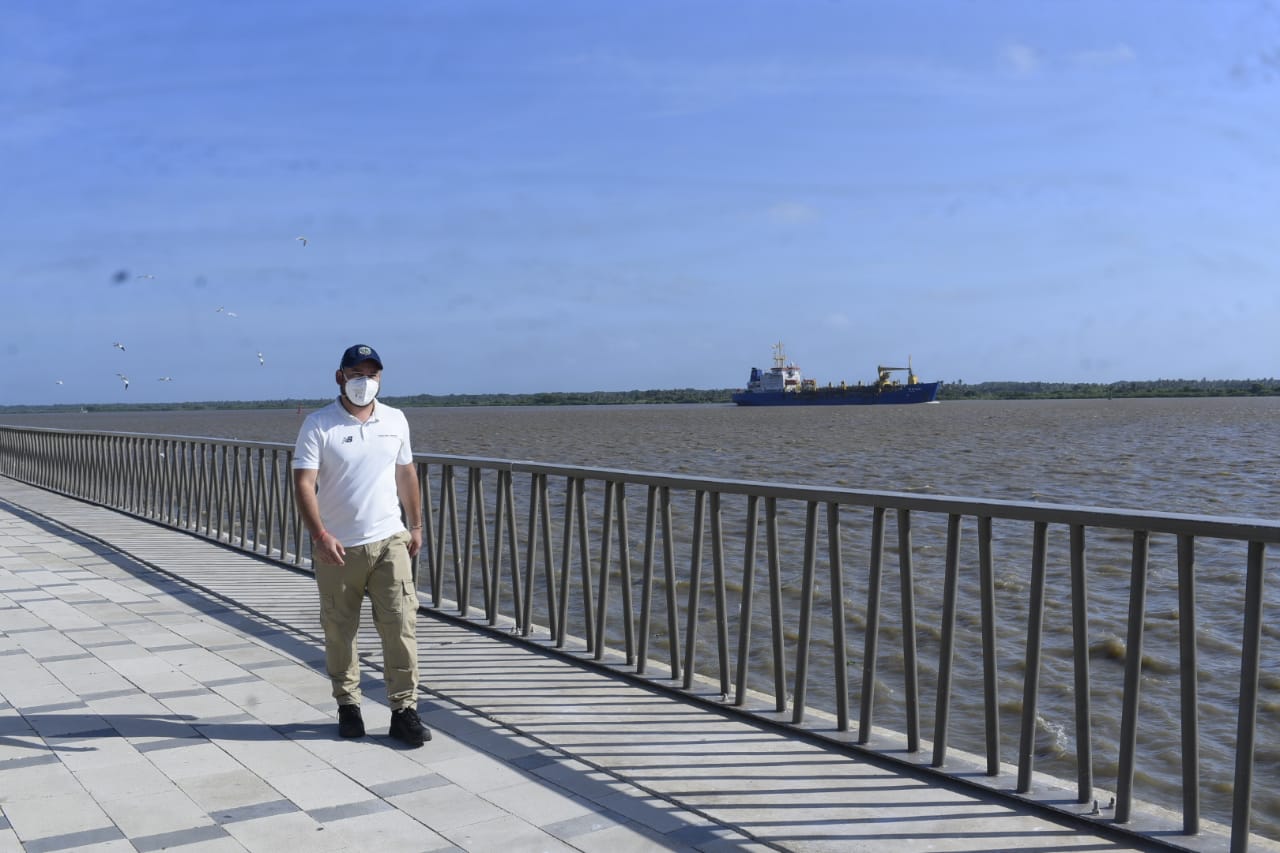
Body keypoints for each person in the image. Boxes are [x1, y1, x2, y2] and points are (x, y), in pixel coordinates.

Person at [292, 343, 429, 746]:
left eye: (372, 375)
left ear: (381, 379)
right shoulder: (319, 424)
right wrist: (319, 534)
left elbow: (406, 474)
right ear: (340, 377)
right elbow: (304, 482)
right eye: (356, 374)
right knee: (339, 630)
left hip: (390, 541)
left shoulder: (396, 420)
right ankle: (348, 705)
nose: (364, 382)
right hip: (338, 547)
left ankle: (404, 711)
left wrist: (416, 525)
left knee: (401, 626)